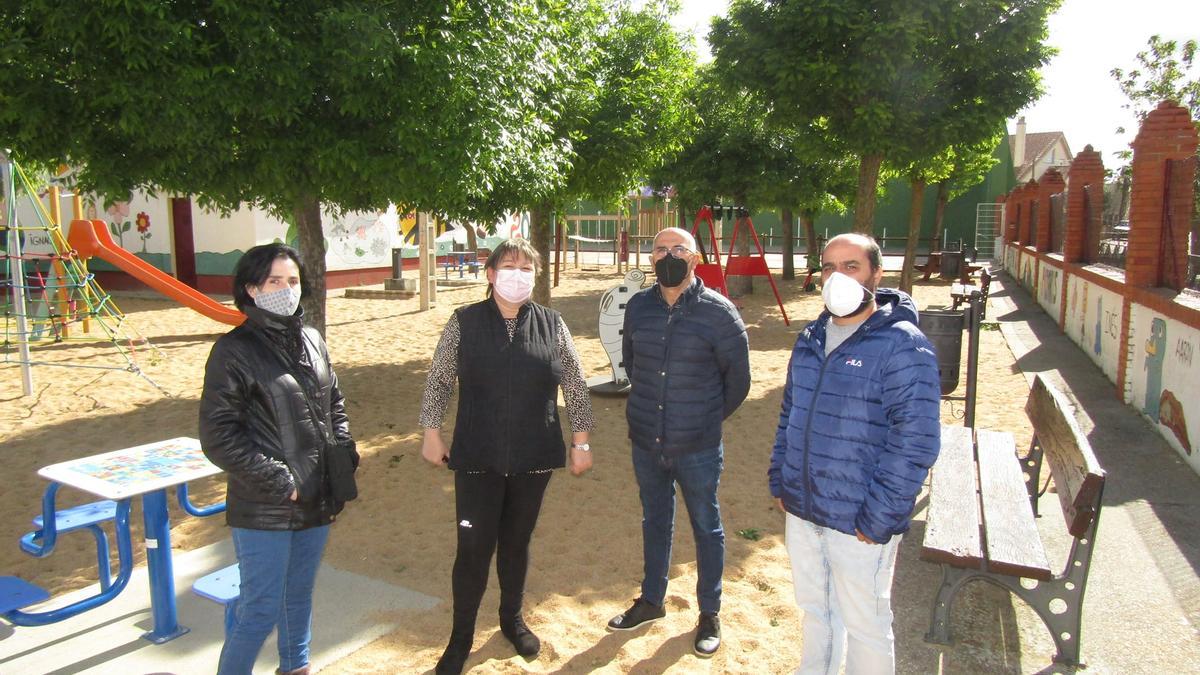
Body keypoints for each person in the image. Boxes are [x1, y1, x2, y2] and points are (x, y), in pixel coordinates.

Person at [419, 238, 594, 675]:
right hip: (477, 456)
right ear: (492, 274)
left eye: (527, 268)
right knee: (474, 549)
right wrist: (431, 433)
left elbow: (575, 383)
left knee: (516, 544)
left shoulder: (552, 324)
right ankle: (460, 640)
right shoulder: (464, 322)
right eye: (509, 266)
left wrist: (581, 442)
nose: (519, 274)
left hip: (534, 457)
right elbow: (440, 379)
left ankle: (511, 619)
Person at [769, 233, 941, 674]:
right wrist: (781, 480)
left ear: (876, 275)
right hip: (805, 509)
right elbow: (791, 411)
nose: (837, 277)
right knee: (817, 613)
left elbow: (916, 439)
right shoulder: (810, 337)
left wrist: (880, 516)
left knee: (866, 624)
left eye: (851, 267)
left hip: (860, 519)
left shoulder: (904, 345)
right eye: (828, 268)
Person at [199, 243, 355, 675]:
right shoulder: (234, 351)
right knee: (260, 609)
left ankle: (295, 667)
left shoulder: (312, 339)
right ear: (251, 288)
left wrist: (343, 454)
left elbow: (334, 402)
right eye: (274, 281)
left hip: (316, 495)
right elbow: (217, 435)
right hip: (266, 506)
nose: (286, 290)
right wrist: (280, 480)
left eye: (293, 281)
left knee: (298, 596)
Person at [608, 226, 751, 658]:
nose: (668, 256)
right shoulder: (638, 308)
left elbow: (738, 382)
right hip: (646, 439)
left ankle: (709, 612)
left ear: (694, 259)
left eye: (678, 250)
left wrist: (702, 418)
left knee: (706, 525)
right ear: (650, 259)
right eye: (660, 249)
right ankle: (652, 600)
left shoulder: (720, 313)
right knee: (655, 519)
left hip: (698, 445)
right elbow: (632, 362)